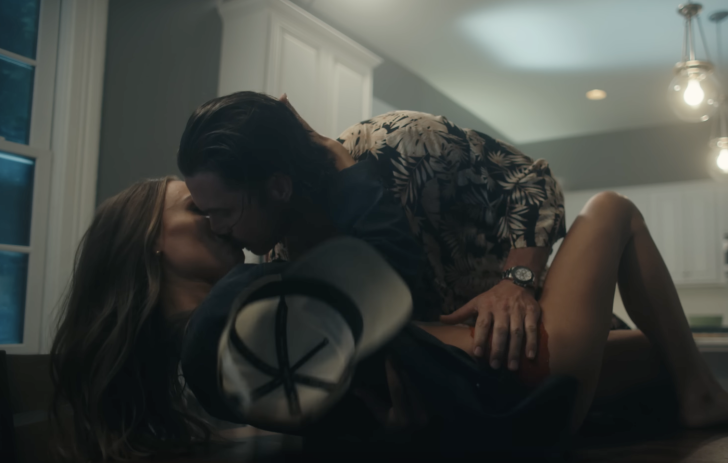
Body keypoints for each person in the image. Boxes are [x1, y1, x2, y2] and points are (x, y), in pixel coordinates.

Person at [49, 176, 728, 462]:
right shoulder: (221, 326)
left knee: (659, 355)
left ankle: (694, 390)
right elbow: (384, 286)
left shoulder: (222, 335)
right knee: (611, 209)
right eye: (197, 207)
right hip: (510, 381)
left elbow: (350, 389)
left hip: (495, 384)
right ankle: (702, 397)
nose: (221, 217)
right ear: (149, 241)